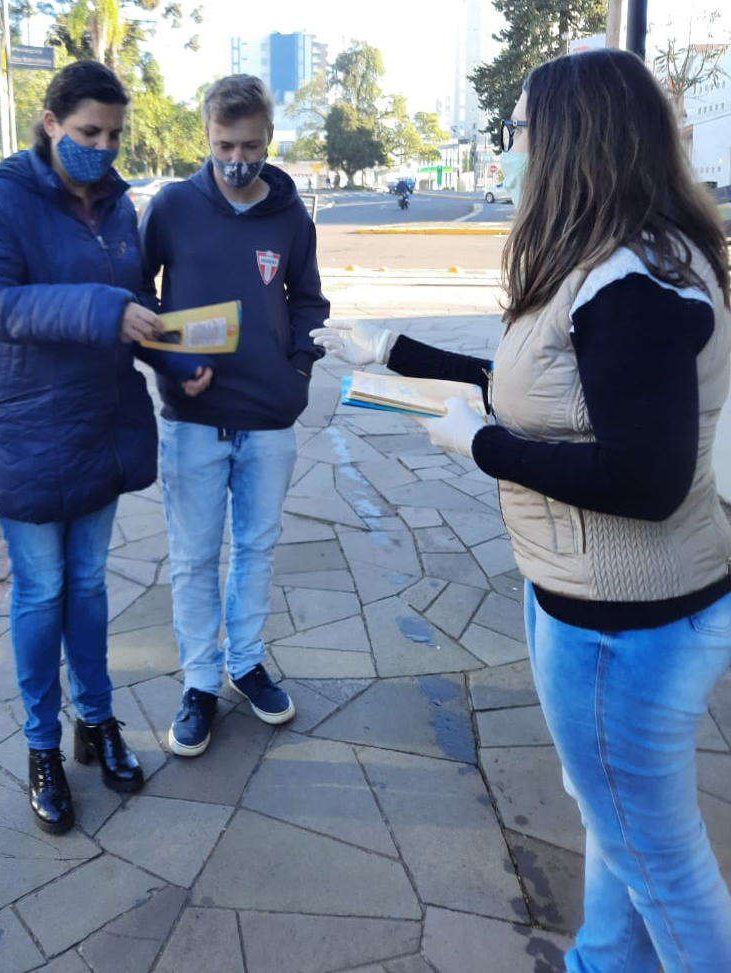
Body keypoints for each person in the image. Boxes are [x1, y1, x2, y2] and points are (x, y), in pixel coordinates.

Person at [311, 49, 731, 972]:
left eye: (522, 133)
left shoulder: (634, 284)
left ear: (573, 142)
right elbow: (547, 391)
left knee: (657, 852)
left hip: (625, 625)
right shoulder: (606, 260)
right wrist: (396, 352)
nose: (513, 151)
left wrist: (478, 445)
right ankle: (602, 962)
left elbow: (646, 482)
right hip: (593, 604)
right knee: (615, 817)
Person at [0, 60, 205, 834]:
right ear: (51, 122)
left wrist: (175, 355)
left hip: (100, 422)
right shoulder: (3, 196)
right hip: (26, 428)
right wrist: (105, 307)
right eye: (88, 132)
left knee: (90, 587)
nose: (102, 146)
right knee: (41, 593)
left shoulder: (119, 204)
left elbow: (135, 304)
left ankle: (95, 723)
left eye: (113, 134)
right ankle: (42, 747)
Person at [139, 74, 330, 757]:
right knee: (193, 558)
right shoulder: (170, 208)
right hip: (193, 420)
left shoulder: (289, 216)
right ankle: (199, 681)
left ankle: (245, 661)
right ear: (206, 138)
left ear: (269, 138)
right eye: (225, 144)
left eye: (250, 143)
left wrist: (298, 371)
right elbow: (137, 303)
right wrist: (169, 365)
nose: (238, 157)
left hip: (270, 420)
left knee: (256, 547)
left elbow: (307, 299)